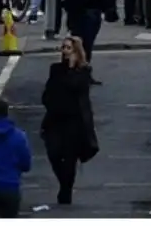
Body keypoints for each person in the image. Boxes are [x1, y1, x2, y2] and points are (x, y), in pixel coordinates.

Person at [41, 36, 99, 206]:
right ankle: (64, 184)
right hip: (55, 119)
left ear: (76, 52)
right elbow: (49, 90)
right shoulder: (55, 69)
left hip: (75, 122)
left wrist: (73, 68)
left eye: (68, 48)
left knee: (70, 159)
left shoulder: (84, 72)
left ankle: (66, 190)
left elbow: (76, 87)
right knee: (53, 154)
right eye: (63, 48)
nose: (65, 51)